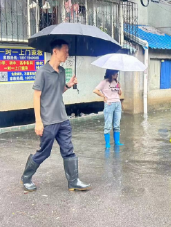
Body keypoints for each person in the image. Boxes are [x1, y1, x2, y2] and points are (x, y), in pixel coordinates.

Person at [21, 39, 91, 192]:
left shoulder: (62, 71)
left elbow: (57, 91)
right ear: (55, 51)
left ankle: (73, 181)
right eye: (65, 50)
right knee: (44, 152)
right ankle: (26, 177)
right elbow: (37, 96)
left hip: (63, 118)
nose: (68, 53)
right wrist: (38, 122)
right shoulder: (43, 72)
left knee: (68, 149)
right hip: (48, 121)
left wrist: (68, 85)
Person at [93, 69, 123, 149]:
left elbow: (120, 94)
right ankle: (107, 143)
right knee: (108, 124)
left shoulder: (116, 82)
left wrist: (119, 88)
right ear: (111, 74)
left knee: (117, 124)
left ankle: (117, 142)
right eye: (116, 73)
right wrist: (104, 96)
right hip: (109, 104)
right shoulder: (104, 82)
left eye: (117, 73)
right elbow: (95, 90)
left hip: (117, 103)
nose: (117, 75)